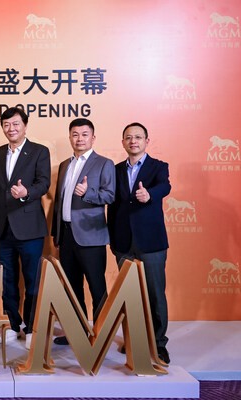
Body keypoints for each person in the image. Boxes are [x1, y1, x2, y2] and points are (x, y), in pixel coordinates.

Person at [0, 107, 51, 349]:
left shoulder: (39, 151)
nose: (11, 128)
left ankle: (32, 326)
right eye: (6, 124)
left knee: (33, 280)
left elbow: (44, 183)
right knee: (8, 280)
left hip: (29, 228)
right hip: (3, 228)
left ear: (25, 126)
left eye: (15, 124)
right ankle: (12, 324)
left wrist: (26, 193)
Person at [107, 122, 171, 364]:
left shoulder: (158, 167)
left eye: (138, 137)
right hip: (123, 243)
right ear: (123, 142)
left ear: (146, 141)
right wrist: (113, 239)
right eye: (128, 137)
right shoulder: (115, 170)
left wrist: (150, 194)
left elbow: (165, 186)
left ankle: (158, 344)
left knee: (155, 294)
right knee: (129, 295)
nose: (133, 141)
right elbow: (112, 208)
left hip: (151, 242)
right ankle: (134, 340)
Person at [51, 118, 115, 345]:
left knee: (97, 287)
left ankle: (101, 336)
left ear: (93, 138)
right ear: (70, 137)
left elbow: (110, 195)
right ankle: (76, 334)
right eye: (75, 134)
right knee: (72, 287)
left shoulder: (104, 163)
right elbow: (59, 202)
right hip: (67, 235)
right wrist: (56, 233)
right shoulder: (64, 165)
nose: (79, 139)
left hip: (91, 236)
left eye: (84, 134)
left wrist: (87, 193)